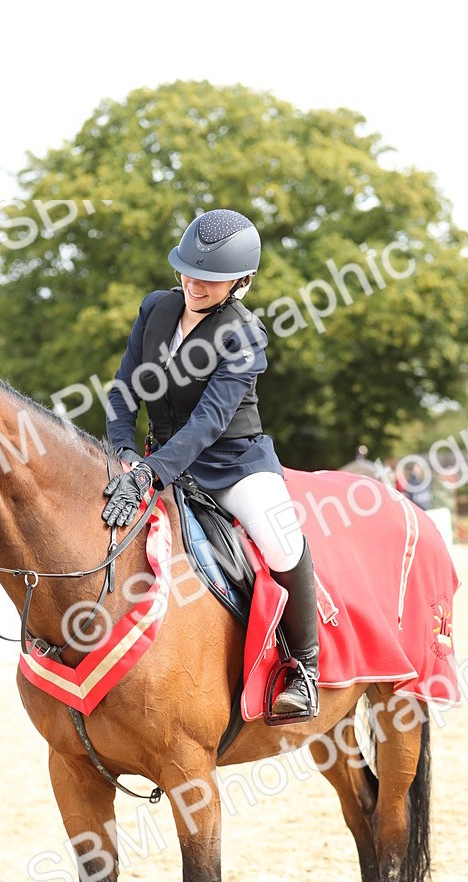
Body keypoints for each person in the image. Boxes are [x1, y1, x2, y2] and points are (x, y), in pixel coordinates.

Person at [101, 208, 319, 721]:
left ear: (241, 281)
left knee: (281, 540)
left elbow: (208, 422)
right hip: (156, 459)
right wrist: (123, 451)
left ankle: (304, 669)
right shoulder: (155, 309)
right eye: (187, 271)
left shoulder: (244, 335)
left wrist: (151, 472)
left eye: (210, 278)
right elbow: (124, 389)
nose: (194, 284)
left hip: (232, 464)